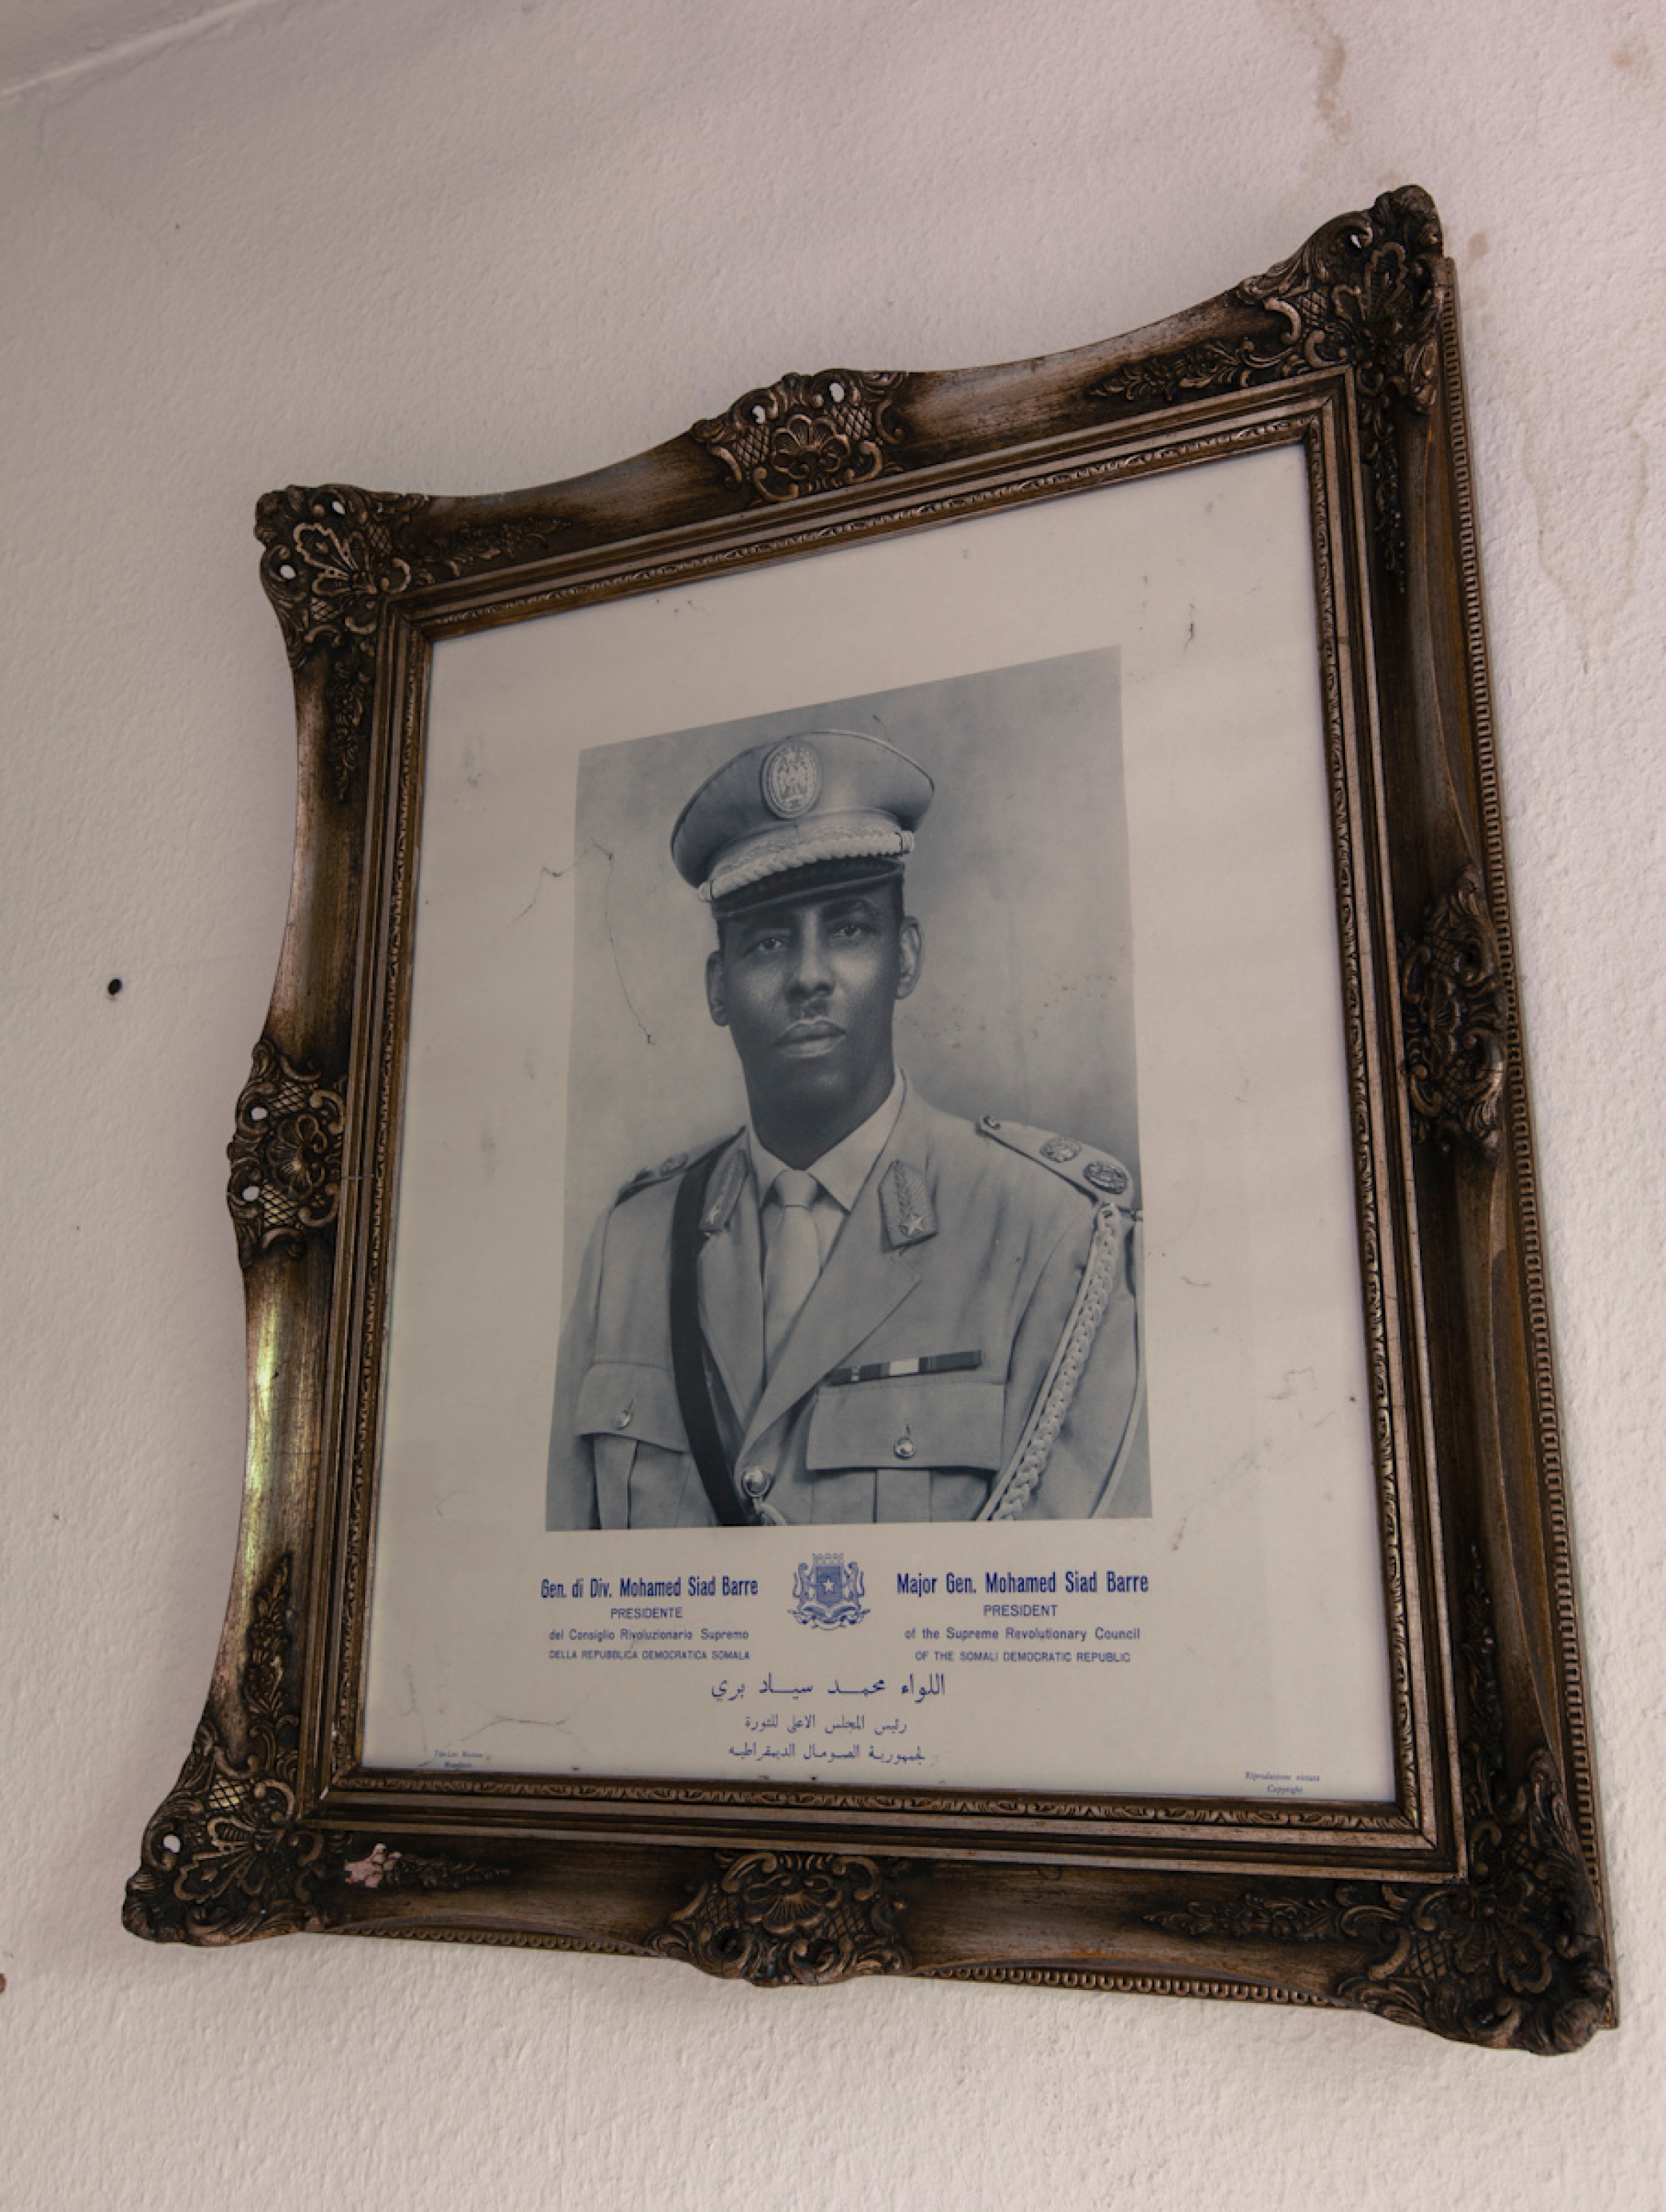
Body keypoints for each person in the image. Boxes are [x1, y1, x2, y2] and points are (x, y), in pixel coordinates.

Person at [546, 729, 1144, 1529]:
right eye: (766, 941)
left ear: (905, 958)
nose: (808, 975)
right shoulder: (628, 1249)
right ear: (719, 988)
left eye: (851, 929)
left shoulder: (1051, 1233)